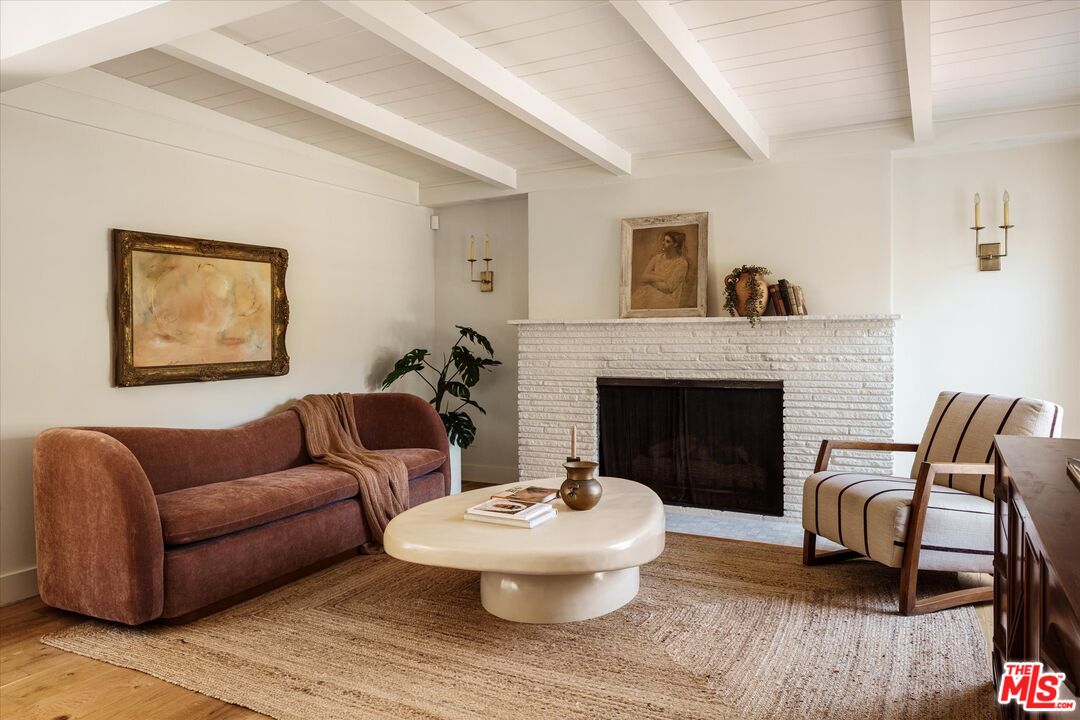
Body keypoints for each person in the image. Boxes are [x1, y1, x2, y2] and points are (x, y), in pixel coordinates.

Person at [632, 231, 689, 309]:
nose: (663, 243)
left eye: (667, 241)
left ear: (675, 245)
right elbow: (643, 277)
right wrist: (662, 278)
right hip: (649, 294)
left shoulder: (682, 263)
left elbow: (668, 288)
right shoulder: (657, 258)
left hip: (667, 299)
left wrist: (650, 279)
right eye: (663, 240)